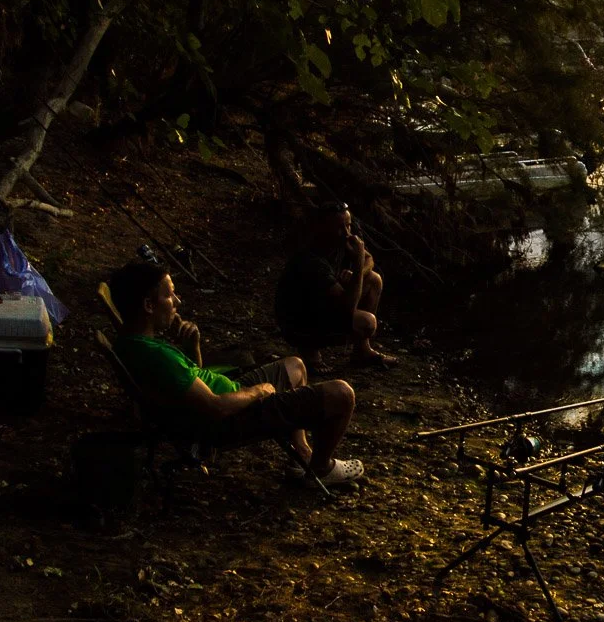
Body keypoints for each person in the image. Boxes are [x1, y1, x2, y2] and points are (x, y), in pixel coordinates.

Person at [107, 261, 364, 484]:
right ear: (149, 305)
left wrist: (192, 346)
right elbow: (215, 407)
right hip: (229, 419)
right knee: (341, 393)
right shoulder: (155, 356)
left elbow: (195, 376)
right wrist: (256, 391)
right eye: (170, 296)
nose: (177, 302)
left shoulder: (135, 343)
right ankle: (320, 468)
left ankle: (303, 455)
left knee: (295, 366)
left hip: (223, 398)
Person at [275, 201, 397, 371]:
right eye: (340, 227)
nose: (346, 233)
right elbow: (347, 308)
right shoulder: (312, 260)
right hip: (299, 321)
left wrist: (357, 272)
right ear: (323, 228)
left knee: (374, 279)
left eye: (348, 225)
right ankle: (310, 352)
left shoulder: (342, 241)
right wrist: (358, 260)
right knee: (367, 322)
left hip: (323, 306)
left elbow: (369, 259)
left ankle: (361, 351)